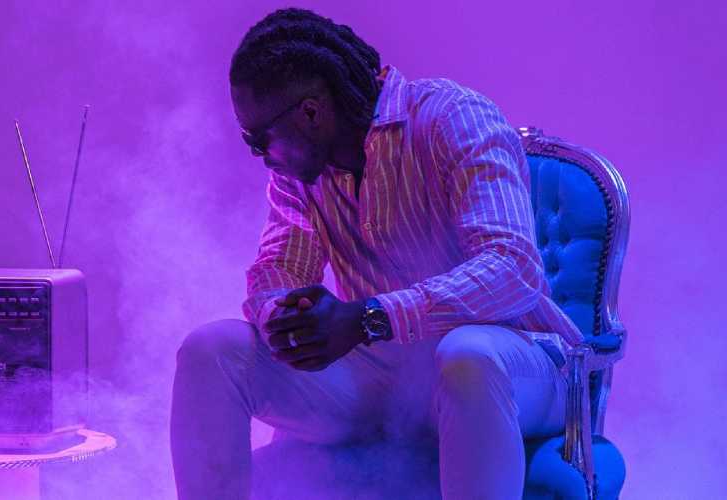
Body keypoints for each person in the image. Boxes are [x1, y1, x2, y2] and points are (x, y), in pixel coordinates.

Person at [170, 8, 583, 499]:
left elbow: (512, 268)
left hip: (516, 365)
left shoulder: (453, 117)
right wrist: (285, 317)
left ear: (310, 113)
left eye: (259, 139)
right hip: (390, 375)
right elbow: (277, 270)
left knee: (466, 354)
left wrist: (369, 317)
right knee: (212, 350)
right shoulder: (298, 177)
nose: (261, 157)